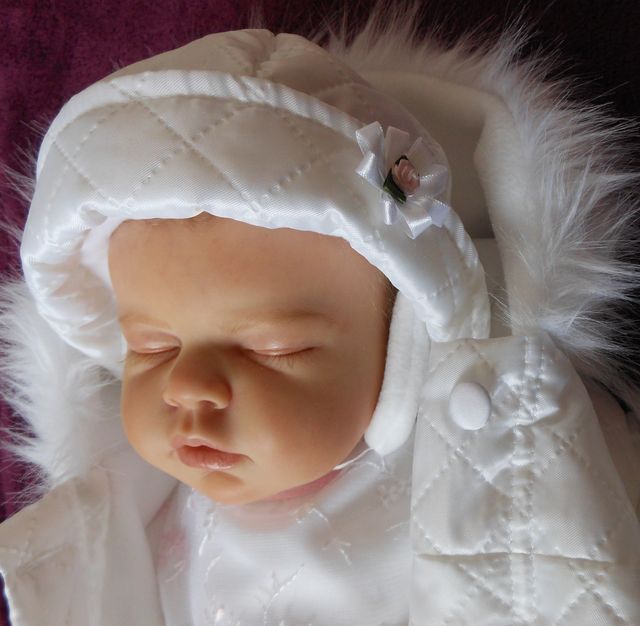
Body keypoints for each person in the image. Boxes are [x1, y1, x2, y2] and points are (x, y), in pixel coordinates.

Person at [0, 9, 639, 625]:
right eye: (152, 347)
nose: (186, 385)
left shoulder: (499, 469)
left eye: (272, 349)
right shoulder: (135, 522)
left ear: (399, 347)